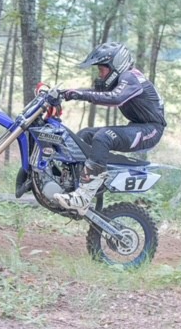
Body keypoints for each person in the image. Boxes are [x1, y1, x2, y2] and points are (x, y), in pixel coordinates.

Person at [53, 42, 167, 215]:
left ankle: (84, 196)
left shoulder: (131, 77)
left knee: (104, 136)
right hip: (138, 126)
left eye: (102, 70)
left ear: (116, 65)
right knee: (85, 134)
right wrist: (65, 93)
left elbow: (115, 98)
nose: (100, 74)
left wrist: (77, 94)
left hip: (151, 130)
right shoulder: (122, 79)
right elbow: (97, 92)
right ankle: (72, 183)